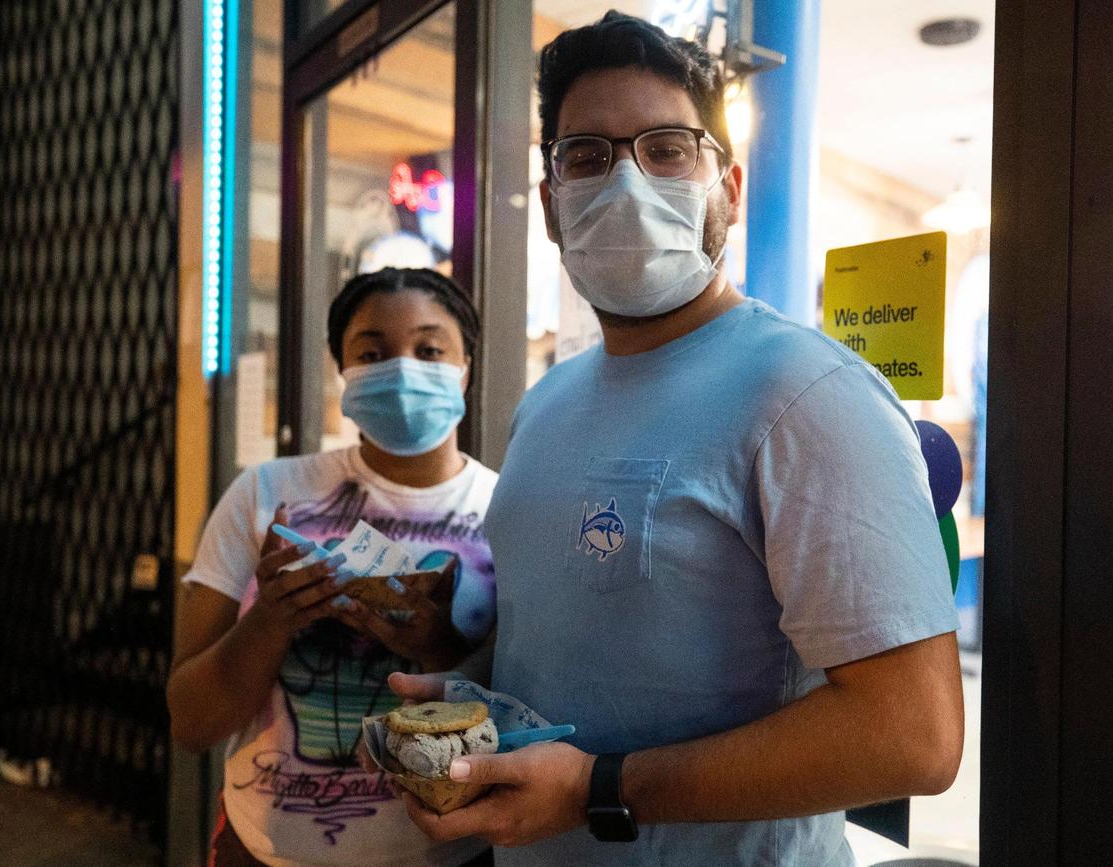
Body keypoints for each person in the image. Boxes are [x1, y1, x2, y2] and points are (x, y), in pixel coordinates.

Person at [390, 12, 963, 865]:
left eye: (666, 149)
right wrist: (460, 673)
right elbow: (578, 647)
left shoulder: (808, 395)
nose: (627, 183)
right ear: (551, 206)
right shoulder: (544, 405)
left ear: (727, 189)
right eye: (587, 156)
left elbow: (911, 734)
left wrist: (601, 787)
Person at [167, 267, 498, 866]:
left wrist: (441, 651)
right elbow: (191, 722)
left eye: (429, 349)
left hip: (450, 852)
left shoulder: (507, 510)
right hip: (265, 851)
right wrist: (272, 619)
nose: (401, 370)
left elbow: (532, 709)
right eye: (371, 352)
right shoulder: (265, 495)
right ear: (342, 370)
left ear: (466, 366)